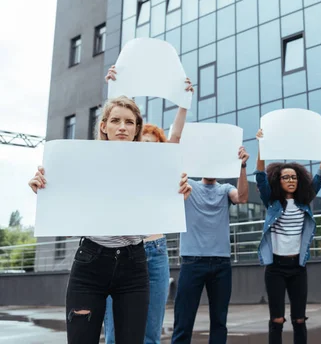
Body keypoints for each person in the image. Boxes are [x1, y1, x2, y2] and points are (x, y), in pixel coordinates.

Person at [28, 96, 192, 344]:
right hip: (90, 263)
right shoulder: (82, 162)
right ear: (104, 126)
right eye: (115, 120)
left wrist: (177, 194)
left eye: (129, 122)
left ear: (137, 128)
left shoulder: (153, 165)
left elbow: (161, 206)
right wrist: (44, 186)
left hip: (134, 264)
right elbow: (65, 203)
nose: (122, 127)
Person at [102, 66, 193, 344]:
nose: (150, 147)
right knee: (116, 335)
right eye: (145, 142)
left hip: (154, 249)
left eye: (156, 143)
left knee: (150, 336)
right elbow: (112, 124)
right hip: (118, 249)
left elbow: (176, 135)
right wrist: (113, 89)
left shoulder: (162, 168)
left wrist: (184, 101)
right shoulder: (116, 161)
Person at [255, 128, 321, 344]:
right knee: (277, 319)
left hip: (298, 267)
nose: (290, 180)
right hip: (275, 268)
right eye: (285, 177)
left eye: (294, 177)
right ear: (278, 181)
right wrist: (261, 145)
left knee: (300, 319)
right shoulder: (272, 203)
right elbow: (260, 177)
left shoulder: (303, 202)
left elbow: (319, 175)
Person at [170, 146, 250, 344]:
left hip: (221, 264)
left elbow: (241, 197)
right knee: (183, 321)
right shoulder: (189, 185)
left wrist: (242, 167)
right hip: (192, 262)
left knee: (219, 322)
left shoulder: (225, 189)